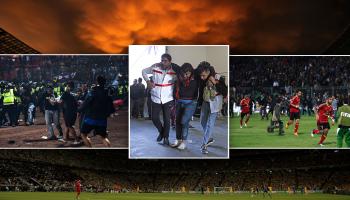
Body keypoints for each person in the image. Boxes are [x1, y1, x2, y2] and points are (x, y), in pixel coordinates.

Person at [142, 53, 179, 145]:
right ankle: (161, 132)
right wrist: (148, 81)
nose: (163, 62)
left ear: (170, 61)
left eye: (165, 61)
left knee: (167, 119)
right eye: (162, 60)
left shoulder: (175, 71)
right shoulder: (155, 67)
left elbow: (181, 77)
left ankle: (166, 138)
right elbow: (143, 71)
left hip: (168, 98)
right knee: (154, 118)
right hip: (155, 97)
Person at [198, 62, 227, 154]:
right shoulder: (202, 80)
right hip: (205, 103)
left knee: (210, 124)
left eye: (203, 75)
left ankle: (204, 145)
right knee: (202, 122)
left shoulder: (218, 77)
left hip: (215, 103)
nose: (202, 77)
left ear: (208, 72)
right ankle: (209, 138)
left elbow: (224, 90)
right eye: (201, 75)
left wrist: (214, 83)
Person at [78, 75, 114, 147]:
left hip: (91, 118)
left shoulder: (93, 91)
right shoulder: (107, 92)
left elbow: (86, 102)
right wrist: (109, 113)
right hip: (102, 120)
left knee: (83, 134)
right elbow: (111, 105)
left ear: (97, 81)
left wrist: (79, 109)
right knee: (103, 137)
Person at [171, 63, 198, 150]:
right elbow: (173, 65)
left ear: (191, 73)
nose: (185, 75)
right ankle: (178, 140)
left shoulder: (195, 80)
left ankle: (184, 141)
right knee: (177, 122)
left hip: (190, 103)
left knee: (184, 121)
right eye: (184, 73)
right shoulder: (178, 79)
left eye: (188, 73)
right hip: (179, 102)